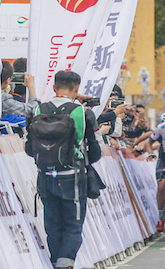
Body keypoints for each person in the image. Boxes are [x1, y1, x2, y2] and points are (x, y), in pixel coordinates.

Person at [26, 70, 102, 269]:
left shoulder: (38, 110)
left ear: (54, 88)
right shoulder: (83, 112)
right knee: (72, 225)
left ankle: (55, 263)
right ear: (77, 89)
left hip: (45, 176)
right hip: (72, 176)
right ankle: (65, 264)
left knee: (52, 224)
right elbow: (96, 151)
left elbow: (29, 148)